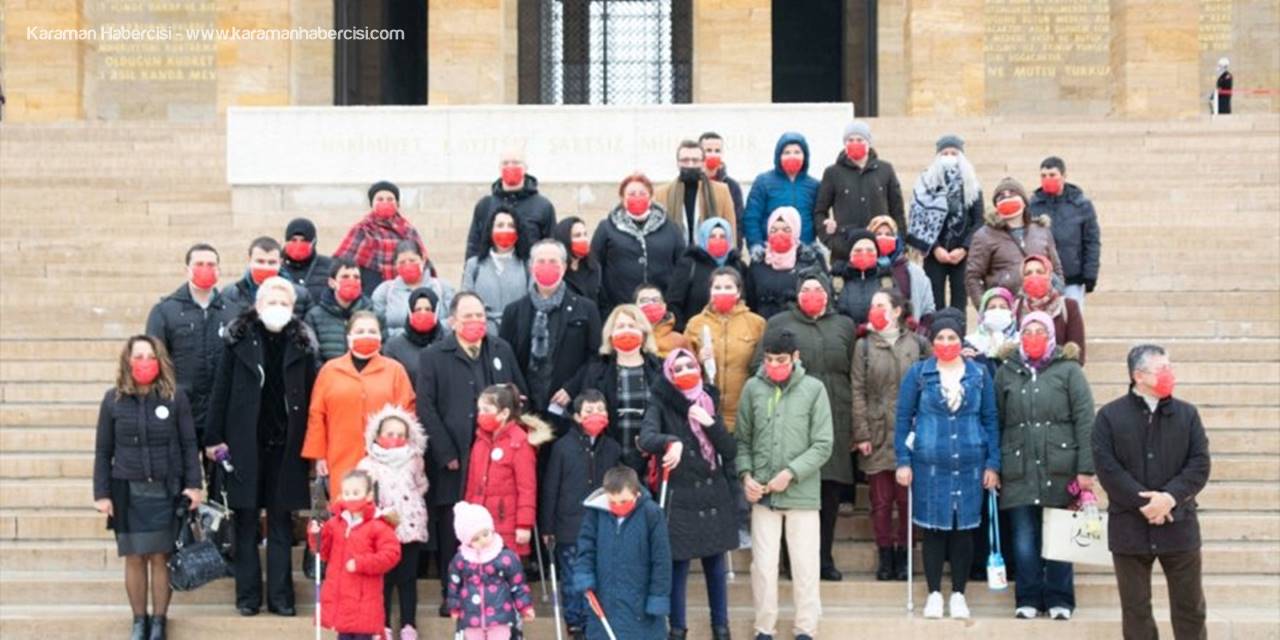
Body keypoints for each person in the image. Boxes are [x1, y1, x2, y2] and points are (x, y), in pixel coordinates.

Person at [205, 276, 319, 617]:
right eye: (272, 301)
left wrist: (312, 449)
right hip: (244, 446)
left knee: (282, 522)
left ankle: (282, 597)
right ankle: (248, 596)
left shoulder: (302, 345)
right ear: (258, 305)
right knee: (246, 521)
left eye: (285, 302)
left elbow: (313, 398)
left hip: (286, 448)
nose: (278, 308)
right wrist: (213, 438)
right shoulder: (237, 341)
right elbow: (220, 392)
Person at [416, 292, 527, 615]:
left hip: (496, 458)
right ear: (452, 321)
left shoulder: (500, 349)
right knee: (454, 526)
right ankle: (453, 593)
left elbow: (520, 395)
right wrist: (445, 451)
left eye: (480, 315)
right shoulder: (433, 356)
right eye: (468, 317)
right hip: (453, 458)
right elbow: (426, 406)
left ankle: (497, 592)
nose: (476, 322)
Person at [1093, 344, 1211, 639]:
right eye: (1162, 369)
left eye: (1170, 367)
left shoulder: (1187, 415)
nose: (1170, 375)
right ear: (1138, 375)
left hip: (1179, 523)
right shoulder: (1109, 416)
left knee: (1190, 608)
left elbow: (1199, 464)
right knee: (1136, 611)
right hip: (1129, 526)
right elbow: (1107, 469)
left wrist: (1169, 499)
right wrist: (1144, 503)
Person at [93, 335, 203, 640]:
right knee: (135, 557)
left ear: (160, 361)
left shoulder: (175, 397)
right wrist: (101, 493)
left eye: (150, 356)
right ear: (127, 362)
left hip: (166, 490)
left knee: (160, 557)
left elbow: (188, 443)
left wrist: (194, 485)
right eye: (138, 356)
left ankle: (159, 622)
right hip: (127, 491)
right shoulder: (112, 399)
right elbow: (103, 450)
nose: (144, 362)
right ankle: (139, 621)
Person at [893, 308, 1000, 620]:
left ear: (960, 339)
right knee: (934, 529)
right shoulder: (919, 373)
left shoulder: (978, 374)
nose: (946, 342)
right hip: (929, 463)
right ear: (932, 341)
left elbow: (991, 418)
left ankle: (959, 594)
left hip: (970, 462)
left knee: (963, 530)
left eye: (952, 337)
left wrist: (993, 463)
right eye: (940, 337)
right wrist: (903, 459)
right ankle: (934, 594)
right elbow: (902, 418)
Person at [995, 312, 1095, 620]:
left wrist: (1086, 468)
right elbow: (996, 419)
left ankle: (1059, 598)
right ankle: (1027, 597)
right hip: (1018, 466)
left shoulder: (1069, 370)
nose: (1034, 336)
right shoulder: (1006, 371)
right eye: (1028, 331)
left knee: (1060, 540)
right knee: (1024, 540)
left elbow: (1085, 419)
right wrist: (995, 465)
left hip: (1060, 466)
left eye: (1040, 330)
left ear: (1051, 334)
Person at [736, 328, 833, 640]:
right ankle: (764, 628)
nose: (774, 365)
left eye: (780, 359)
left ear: (795, 358)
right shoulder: (752, 388)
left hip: (801, 495)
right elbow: (743, 441)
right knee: (762, 568)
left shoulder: (814, 389)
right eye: (768, 359)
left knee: (805, 567)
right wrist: (746, 475)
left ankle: (806, 628)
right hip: (763, 496)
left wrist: (791, 473)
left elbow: (823, 444)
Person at [757, 273, 855, 582]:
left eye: (818, 289)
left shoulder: (844, 325)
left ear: (828, 294)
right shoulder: (779, 323)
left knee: (829, 491)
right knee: (793, 487)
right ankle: (790, 561)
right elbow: (761, 368)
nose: (813, 294)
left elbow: (853, 369)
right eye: (806, 289)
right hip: (793, 417)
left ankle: (823, 559)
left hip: (835, 415)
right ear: (797, 294)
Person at [636, 348, 736, 640]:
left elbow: (729, 450)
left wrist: (710, 423)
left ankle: (721, 628)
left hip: (712, 493)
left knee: (715, 566)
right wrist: (672, 441)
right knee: (677, 568)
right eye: (676, 368)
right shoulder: (660, 402)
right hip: (679, 497)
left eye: (688, 366)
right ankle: (677, 630)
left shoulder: (709, 398)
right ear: (668, 374)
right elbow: (646, 437)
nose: (683, 372)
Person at [852, 289, 929, 582]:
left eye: (881, 305)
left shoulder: (918, 343)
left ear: (897, 311)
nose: (875, 310)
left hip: (910, 433)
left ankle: (905, 554)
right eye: (872, 305)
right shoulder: (863, 347)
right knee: (881, 502)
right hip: (876, 429)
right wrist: (861, 432)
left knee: (907, 500)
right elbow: (857, 390)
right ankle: (885, 555)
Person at [303, 309, 415, 498]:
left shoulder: (395, 370)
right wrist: (319, 455)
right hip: (340, 456)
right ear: (349, 337)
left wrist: (403, 450)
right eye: (360, 331)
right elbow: (317, 414)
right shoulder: (330, 371)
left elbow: (407, 412)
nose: (366, 335)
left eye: (372, 332)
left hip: (387, 459)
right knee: (345, 513)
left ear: (380, 336)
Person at [539, 390, 622, 639]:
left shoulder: (613, 448)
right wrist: (547, 526)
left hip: (604, 526)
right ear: (576, 416)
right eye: (589, 411)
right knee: (573, 577)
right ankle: (574, 623)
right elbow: (551, 487)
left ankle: (594, 621)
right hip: (568, 526)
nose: (595, 415)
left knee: (599, 575)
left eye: (600, 410)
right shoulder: (562, 447)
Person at [500, 239, 602, 426]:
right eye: (541, 261)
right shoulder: (513, 311)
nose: (547, 266)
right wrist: (515, 392)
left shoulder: (586, 309)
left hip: (567, 408)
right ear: (531, 267)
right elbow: (504, 357)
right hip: (526, 410)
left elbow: (596, 357)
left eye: (553, 262)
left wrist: (572, 389)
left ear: (564, 267)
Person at [559, 304, 663, 476]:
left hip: (651, 459)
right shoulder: (596, 372)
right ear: (610, 335)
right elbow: (587, 416)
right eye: (620, 326)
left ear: (644, 333)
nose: (626, 331)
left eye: (632, 326)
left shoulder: (660, 370)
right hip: (609, 458)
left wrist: (652, 443)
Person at [355, 406, 429, 640]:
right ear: (377, 435)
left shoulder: (414, 460)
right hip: (381, 530)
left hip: (410, 525)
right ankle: (382, 624)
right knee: (383, 580)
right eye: (389, 433)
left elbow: (421, 485)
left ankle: (409, 624)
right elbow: (361, 495)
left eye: (400, 434)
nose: (395, 439)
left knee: (407, 579)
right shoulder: (368, 464)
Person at [575, 466, 673, 640]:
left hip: (640, 605)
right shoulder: (596, 513)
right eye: (612, 502)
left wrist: (658, 597)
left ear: (636, 494)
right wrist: (584, 575)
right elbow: (586, 548)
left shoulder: (651, 514)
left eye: (624, 501)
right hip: (605, 599)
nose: (618, 506)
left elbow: (661, 561)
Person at [146, 243, 227, 445]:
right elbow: (156, 359)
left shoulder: (232, 311)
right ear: (187, 270)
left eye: (211, 264)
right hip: (181, 411)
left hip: (220, 415)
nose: (205, 268)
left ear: (219, 269)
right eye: (199, 263)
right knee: (183, 475)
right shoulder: (164, 311)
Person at [311, 469, 403, 640]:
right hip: (342, 602)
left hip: (365, 603)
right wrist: (316, 534)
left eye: (356, 493)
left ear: (368, 496)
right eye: (347, 493)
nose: (351, 497)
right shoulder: (335, 524)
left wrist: (362, 563)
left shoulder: (377, 525)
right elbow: (323, 552)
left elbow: (391, 554)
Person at [464, 384, 550, 559]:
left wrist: (524, 525)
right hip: (480, 526)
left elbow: (527, 488)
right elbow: (472, 485)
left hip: (507, 525)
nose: (481, 414)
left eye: (486, 410)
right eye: (479, 410)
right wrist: (467, 516)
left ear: (503, 413)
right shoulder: (480, 441)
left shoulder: (519, 443)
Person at [906, 135, 985, 311]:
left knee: (959, 302)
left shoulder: (972, 185)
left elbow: (979, 220)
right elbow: (919, 218)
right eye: (945, 153)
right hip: (934, 253)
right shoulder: (926, 184)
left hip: (962, 254)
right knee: (934, 301)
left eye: (954, 153)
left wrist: (964, 248)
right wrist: (935, 248)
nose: (949, 157)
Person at [684, 267, 766, 432]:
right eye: (717, 287)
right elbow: (681, 364)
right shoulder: (695, 324)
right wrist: (697, 360)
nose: (723, 292)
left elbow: (762, 366)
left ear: (738, 292)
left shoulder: (756, 324)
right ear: (710, 291)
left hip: (744, 412)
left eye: (728, 287)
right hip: (706, 413)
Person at [814, 120, 906, 266]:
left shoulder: (885, 170)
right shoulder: (832, 173)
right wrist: (831, 241)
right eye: (850, 140)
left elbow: (897, 211)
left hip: (881, 253)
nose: (855, 143)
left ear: (868, 142)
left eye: (859, 139)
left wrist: (898, 242)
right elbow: (820, 212)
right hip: (844, 253)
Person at [591, 173, 685, 314]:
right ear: (623, 199)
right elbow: (595, 264)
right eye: (631, 194)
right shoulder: (606, 228)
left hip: (661, 309)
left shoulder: (670, 228)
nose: (637, 197)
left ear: (651, 197)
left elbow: (681, 266)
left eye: (642, 193)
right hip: (620, 308)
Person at [965, 177, 1063, 310]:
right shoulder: (984, 236)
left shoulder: (1042, 231)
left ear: (1024, 201)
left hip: (1042, 309)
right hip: (1005, 310)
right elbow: (973, 277)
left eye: (1012, 193)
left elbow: (1056, 269)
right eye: (1001, 196)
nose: (1007, 197)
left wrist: (1057, 296)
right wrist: (986, 308)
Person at [447, 501, 536, 639]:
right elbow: (454, 586)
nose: (482, 540)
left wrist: (524, 607)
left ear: (492, 529)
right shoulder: (461, 559)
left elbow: (518, 584)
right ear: (466, 541)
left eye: (485, 534)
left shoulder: (505, 557)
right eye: (475, 539)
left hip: (500, 616)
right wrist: (454, 607)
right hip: (471, 617)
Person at [1029, 156, 1101, 311]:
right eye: (1043, 176)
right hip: (1041, 279)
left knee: (1072, 324)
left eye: (1052, 175)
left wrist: (1090, 275)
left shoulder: (1082, 205)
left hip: (1072, 279)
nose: (1047, 179)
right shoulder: (1033, 205)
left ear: (1064, 176)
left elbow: (1091, 241)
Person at [335, 180, 426, 298]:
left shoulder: (408, 231)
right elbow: (342, 263)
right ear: (372, 203)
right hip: (370, 292)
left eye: (390, 199)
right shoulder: (362, 230)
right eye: (380, 199)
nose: (385, 202)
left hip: (405, 292)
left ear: (397, 204)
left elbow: (423, 262)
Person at [465, 148, 557, 260]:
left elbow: (552, 247)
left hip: (528, 274)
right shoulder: (485, 205)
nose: (510, 166)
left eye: (516, 163)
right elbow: (473, 246)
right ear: (499, 168)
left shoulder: (543, 206)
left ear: (525, 168)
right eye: (505, 163)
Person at [742, 132, 820, 257]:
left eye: (797, 152)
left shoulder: (814, 185)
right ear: (778, 156)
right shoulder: (763, 182)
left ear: (805, 156)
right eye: (787, 152)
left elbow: (818, 217)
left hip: (804, 252)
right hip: (770, 252)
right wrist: (756, 244)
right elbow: (752, 217)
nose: (792, 156)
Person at [743, 207, 823, 321]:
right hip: (765, 326)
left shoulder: (810, 260)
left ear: (796, 230)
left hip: (800, 326)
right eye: (773, 230)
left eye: (786, 229)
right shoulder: (758, 262)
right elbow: (750, 301)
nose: (779, 234)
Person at [667, 217, 747, 330]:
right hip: (696, 333)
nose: (717, 240)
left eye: (722, 237)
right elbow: (674, 302)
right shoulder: (689, 265)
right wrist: (683, 331)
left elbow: (747, 302)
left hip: (734, 334)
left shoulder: (738, 265)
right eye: (712, 236)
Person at [652, 139, 737, 246]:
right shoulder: (661, 194)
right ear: (677, 163)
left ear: (703, 163)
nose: (690, 165)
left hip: (709, 258)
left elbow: (730, 231)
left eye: (695, 160)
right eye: (685, 160)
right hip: (674, 259)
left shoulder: (721, 191)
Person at [461, 206, 530, 334]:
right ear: (490, 230)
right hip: (483, 334)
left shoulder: (527, 265)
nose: (505, 229)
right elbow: (465, 301)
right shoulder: (474, 265)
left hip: (518, 332)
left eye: (511, 225)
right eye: (500, 225)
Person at [372, 240, 455, 338]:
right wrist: (407, 334)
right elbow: (379, 327)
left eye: (412, 261)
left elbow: (453, 321)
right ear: (395, 265)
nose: (408, 265)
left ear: (423, 259)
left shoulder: (443, 287)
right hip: (397, 347)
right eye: (402, 262)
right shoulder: (384, 291)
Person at [218, 236, 311, 323]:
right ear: (249, 260)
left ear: (280, 262)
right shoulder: (230, 294)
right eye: (260, 261)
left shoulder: (300, 295)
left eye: (272, 262)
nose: (266, 267)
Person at [1015, 254, 1087, 365]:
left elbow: (1077, 353)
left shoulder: (1068, 307)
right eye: (1028, 273)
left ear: (1049, 275)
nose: (1034, 276)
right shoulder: (1016, 308)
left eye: (1040, 272)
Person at [305, 258, 381, 362]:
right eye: (345, 277)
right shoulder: (314, 317)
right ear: (332, 283)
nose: (352, 281)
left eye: (356, 277)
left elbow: (382, 352)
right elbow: (313, 357)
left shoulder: (374, 314)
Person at [867, 215, 937, 323]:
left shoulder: (914, 272)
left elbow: (928, 309)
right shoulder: (863, 270)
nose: (883, 238)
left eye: (888, 234)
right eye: (878, 234)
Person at [382, 287, 445, 382]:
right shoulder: (394, 347)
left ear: (436, 311)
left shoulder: (449, 344)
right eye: (418, 309)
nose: (423, 313)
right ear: (410, 311)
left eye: (428, 309)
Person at [698, 132, 745, 241]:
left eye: (717, 151)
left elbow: (738, 222)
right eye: (708, 150)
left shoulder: (732, 186)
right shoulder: (692, 183)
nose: (713, 154)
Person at [279, 217, 335, 303]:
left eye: (303, 240)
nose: (298, 244)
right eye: (294, 240)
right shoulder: (278, 266)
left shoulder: (329, 266)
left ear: (313, 242)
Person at [553, 216, 602, 303]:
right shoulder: (557, 273)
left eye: (585, 234)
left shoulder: (593, 267)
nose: (584, 239)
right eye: (577, 235)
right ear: (565, 239)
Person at [635, 283, 692, 358]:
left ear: (664, 306)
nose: (650, 304)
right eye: (644, 300)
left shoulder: (678, 340)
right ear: (634, 306)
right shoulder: (628, 336)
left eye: (655, 300)